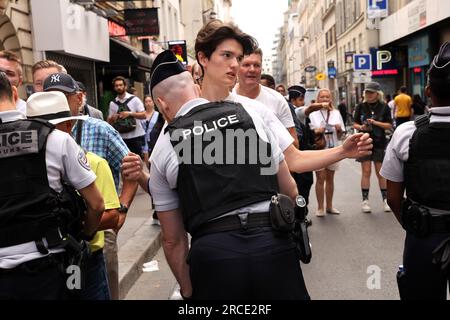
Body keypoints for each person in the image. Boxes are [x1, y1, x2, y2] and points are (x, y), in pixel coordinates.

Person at [122, 50, 310, 300]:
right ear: (196, 90)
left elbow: (173, 240)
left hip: (214, 256)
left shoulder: (163, 148)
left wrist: (188, 291)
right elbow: (289, 189)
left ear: (162, 104)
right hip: (272, 246)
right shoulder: (249, 115)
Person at [193, 19, 372, 175]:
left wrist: (342, 151)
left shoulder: (256, 111)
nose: (234, 64)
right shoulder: (182, 116)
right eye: (226, 55)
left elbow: (295, 159)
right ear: (203, 58)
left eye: (238, 58)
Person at [0, 76, 104, 299]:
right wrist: (86, 232)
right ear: (15, 94)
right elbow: (97, 204)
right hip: (51, 266)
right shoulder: (56, 139)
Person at [42, 72, 138, 300]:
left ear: (79, 98)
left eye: (64, 96)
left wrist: (120, 210)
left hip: (98, 237)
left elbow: (132, 170)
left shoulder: (99, 131)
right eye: (51, 96)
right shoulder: (34, 138)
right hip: (55, 248)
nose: (59, 102)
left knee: (103, 291)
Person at [27, 91, 120, 300]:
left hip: (82, 259)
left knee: (84, 294)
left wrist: (79, 232)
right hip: (46, 263)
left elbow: (109, 213)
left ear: (69, 127)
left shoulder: (94, 163)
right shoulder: (25, 170)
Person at [380, 41, 450, 300]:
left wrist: (420, 228)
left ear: (429, 90)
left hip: (425, 236)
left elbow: (394, 198)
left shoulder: (406, 133)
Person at [234, 48, 299, 148]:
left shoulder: (277, 100)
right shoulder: (225, 97)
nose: (252, 69)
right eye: (246, 65)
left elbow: (294, 145)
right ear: (237, 67)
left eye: (256, 65)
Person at [353, 82, 393, 213]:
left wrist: (375, 123)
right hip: (364, 141)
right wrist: (362, 127)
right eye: (367, 92)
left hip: (379, 142)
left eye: (371, 92)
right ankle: (365, 201)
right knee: (366, 171)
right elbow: (355, 123)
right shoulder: (361, 106)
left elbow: (389, 125)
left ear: (377, 93)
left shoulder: (384, 107)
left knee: (381, 173)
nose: (369, 95)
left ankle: (386, 200)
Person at [309, 88, 345, 216]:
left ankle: (329, 206)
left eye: (327, 97)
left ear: (331, 99)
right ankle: (320, 208)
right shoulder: (312, 114)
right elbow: (309, 133)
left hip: (333, 149)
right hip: (319, 150)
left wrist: (339, 129)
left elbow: (341, 136)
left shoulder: (336, 113)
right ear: (318, 99)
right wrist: (316, 130)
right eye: (322, 97)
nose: (324, 99)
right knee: (320, 178)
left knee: (330, 178)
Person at [107, 76, 146, 156]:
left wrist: (129, 113)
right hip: (122, 138)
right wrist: (113, 118)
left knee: (137, 161)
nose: (119, 87)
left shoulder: (134, 99)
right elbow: (109, 122)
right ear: (114, 88)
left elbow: (144, 115)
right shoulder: (113, 103)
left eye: (121, 85)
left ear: (125, 86)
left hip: (136, 137)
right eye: (116, 85)